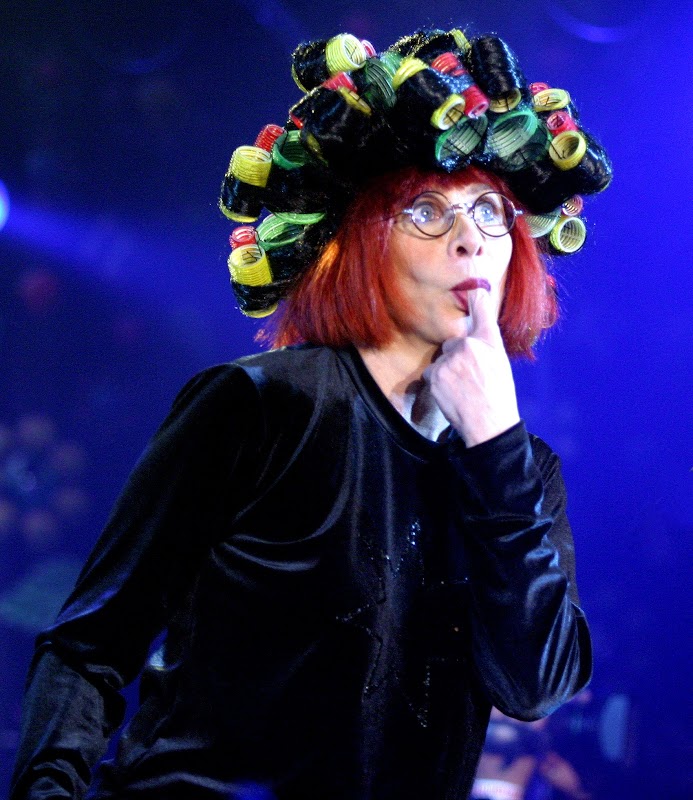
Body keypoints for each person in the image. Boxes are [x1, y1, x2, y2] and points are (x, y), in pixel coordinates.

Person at [10, 26, 612, 800]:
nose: (470, 240)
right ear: (358, 241)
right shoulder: (264, 406)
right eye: (426, 210)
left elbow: (534, 687)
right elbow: (90, 644)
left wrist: (494, 448)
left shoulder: (524, 472)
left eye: (490, 211)